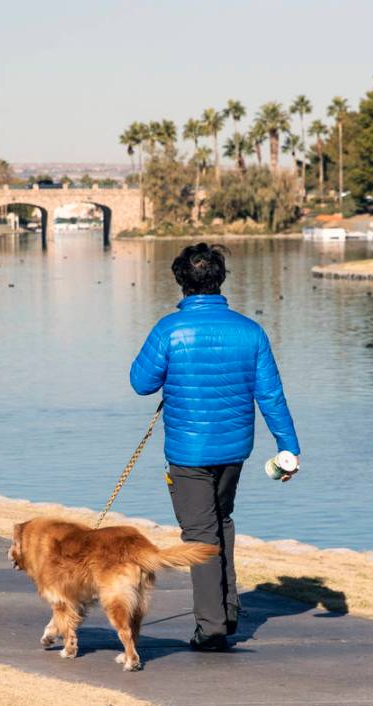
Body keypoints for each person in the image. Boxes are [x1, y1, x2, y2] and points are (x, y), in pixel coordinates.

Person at [130, 243, 300, 652]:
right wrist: (288, 447)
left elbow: (141, 382)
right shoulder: (249, 331)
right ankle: (227, 610)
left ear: (181, 281)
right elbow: (271, 396)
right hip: (234, 448)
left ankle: (211, 628)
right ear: (219, 279)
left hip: (189, 452)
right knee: (221, 521)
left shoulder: (169, 330)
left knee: (200, 533)